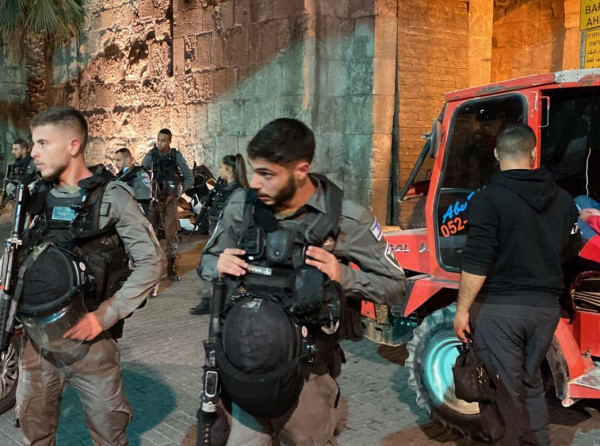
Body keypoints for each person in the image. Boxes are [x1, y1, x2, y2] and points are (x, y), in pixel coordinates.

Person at [199, 118, 406, 445]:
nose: (255, 183)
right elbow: (207, 260)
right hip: (246, 365)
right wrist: (218, 264)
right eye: (253, 171)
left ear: (301, 170)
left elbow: (395, 284)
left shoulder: (347, 219)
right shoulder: (242, 208)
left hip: (307, 377)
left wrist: (343, 276)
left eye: (267, 174)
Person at [15, 106, 163, 445]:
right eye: (34, 143)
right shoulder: (35, 195)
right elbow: (20, 252)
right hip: (37, 344)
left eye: (43, 143)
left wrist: (104, 316)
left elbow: (151, 262)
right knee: (34, 430)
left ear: (73, 145)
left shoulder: (112, 197)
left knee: (108, 434)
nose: (34, 152)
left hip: (91, 344)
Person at [453, 123, 580, 445]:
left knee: (502, 393)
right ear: (533, 153)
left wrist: (462, 310)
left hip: (502, 310)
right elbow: (570, 250)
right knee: (530, 382)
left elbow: (477, 260)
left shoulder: (487, 199)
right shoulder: (564, 200)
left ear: (497, 153)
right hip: (545, 310)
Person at [190, 154, 248, 315]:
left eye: (222, 167)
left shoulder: (238, 194)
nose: (219, 170)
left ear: (230, 170)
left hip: (226, 236)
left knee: (214, 268)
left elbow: (236, 220)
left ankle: (220, 303)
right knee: (208, 266)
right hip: (218, 232)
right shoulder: (225, 189)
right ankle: (211, 300)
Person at [142, 129, 193, 281]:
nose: (160, 143)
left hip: (169, 201)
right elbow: (142, 174)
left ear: (170, 141)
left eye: (163, 140)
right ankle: (150, 268)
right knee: (151, 234)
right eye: (158, 139)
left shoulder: (175, 156)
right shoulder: (151, 155)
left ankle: (171, 267)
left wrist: (176, 193)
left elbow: (189, 178)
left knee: (171, 234)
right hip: (154, 200)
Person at [114, 147, 152, 215]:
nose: (116, 163)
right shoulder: (121, 176)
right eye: (115, 160)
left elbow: (145, 195)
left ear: (128, 160)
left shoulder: (139, 174)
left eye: (118, 160)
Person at [1, 138, 37, 209]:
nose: (12, 152)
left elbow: (26, 181)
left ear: (23, 150)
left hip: (29, 194)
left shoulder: (32, 162)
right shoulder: (17, 163)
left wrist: (7, 199)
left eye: (15, 149)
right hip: (18, 194)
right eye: (13, 149)